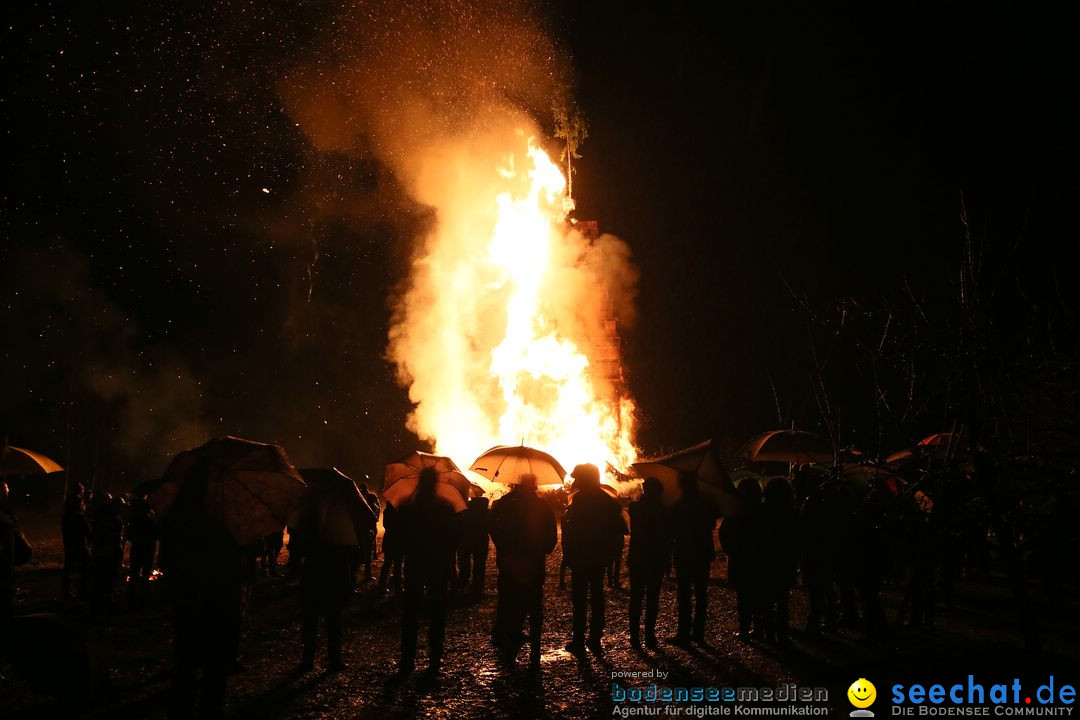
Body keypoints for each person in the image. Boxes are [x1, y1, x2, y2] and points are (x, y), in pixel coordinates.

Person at [160, 465, 244, 720]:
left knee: (185, 667)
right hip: (215, 605)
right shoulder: (220, 524)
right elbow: (233, 565)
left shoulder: (175, 520)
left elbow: (166, 561)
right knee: (213, 670)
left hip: (188, 603)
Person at [396, 467, 462, 677]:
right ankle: (434, 660)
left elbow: (400, 536)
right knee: (437, 612)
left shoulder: (407, 506)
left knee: (411, 613)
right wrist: (452, 563)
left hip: (415, 562)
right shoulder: (445, 506)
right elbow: (454, 539)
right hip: (438, 562)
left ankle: (407, 660)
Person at [488, 474, 557, 668]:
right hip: (533, 562)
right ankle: (535, 641)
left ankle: (509, 638)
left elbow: (493, 527)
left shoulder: (503, 504)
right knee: (534, 602)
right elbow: (551, 537)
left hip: (509, 562)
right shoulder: (542, 507)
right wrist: (542, 548)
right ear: (534, 485)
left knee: (509, 600)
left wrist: (503, 547)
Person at [561, 463, 626, 655]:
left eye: (578, 477)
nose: (575, 481)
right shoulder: (607, 500)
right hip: (598, 556)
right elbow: (617, 528)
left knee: (580, 599)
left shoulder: (579, 499)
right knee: (597, 596)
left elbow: (573, 530)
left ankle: (578, 639)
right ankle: (595, 637)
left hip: (582, 555)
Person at [292, 504, 354, 673]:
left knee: (313, 616)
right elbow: (349, 547)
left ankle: (309, 658)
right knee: (332, 617)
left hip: (314, 571)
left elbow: (297, 543)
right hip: (334, 571)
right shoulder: (341, 512)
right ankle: (333, 658)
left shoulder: (308, 510)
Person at [670, 471, 718, 644]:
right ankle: (699, 633)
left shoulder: (678, 504)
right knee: (701, 592)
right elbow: (712, 523)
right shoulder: (705, 503)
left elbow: (673, 529)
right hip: (703, 551)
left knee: (684, 592)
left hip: (684, 552)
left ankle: (683, 633)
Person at [627, 477, 670, 649]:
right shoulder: (664, 510)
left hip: (638, 557)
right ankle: (649, 635)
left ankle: (634, 636)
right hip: (656, 557)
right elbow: (667, 536)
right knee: (653, 597)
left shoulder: (635, 507)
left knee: (636, 597)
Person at [720, 477, 764, 642]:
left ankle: (745, 630)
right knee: (758, 595)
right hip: (758, 559)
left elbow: (724, 534)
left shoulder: (735, 512)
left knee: (744, 597)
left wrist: (730, 551)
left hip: (740, 559)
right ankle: (759, 627)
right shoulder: (762, 511)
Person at [761, 477, 799, 645]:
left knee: (768, 601)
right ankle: (782, 634)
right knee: (783, 599)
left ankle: (769, 634)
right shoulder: (791, 512)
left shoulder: (764, 511)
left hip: (767, 560)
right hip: (785, 560)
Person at [89, 494, 125, 615]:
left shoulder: (106, 517)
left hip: (105, 552)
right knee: (106, 578)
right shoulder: (110, 520)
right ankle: (103, 602)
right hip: (107, 553)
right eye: (120, 507)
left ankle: (101, 601)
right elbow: (105, 537)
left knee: (105, 578)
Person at [127, 496, 159, 609]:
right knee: (145, 575)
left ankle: (131, 597)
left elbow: (129, 535)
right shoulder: (151, 521)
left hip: (137, 549)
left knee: (134, 573)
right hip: (147, 551)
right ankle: (142, 598)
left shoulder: (135, 521)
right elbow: (157, 535)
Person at [61, 484, 92, 601]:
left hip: (69, 542)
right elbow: (87, 530)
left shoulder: (67, 513)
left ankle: (65, 591)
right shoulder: (78, 515)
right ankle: (82, 591)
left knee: (68, 567)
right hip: (79, 543)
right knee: (86, 566)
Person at [458, 495, 490, 595]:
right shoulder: (486, 511)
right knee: (480, 564)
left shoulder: (466, 509)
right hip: (481, 540)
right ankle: (478, 583)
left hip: (466, 539)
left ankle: (463, 581)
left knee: (464, 562)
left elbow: (461, 524)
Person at [378, 502, 403, 595]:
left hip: (389, 539)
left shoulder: (387, 510)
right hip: (398, 541)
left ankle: (382, 586)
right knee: (397, 566)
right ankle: (398, 588)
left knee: (387, 564)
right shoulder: (401, 510)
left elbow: (385, 525)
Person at [358, 482, 380, 582]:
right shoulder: (371, 497)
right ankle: (367, 574)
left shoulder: (358, 497)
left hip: (362, 527)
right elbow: (377, 508)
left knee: (362, 550)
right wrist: (375, 518)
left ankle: (361, 575)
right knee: (367, 551)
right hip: (368, 526)